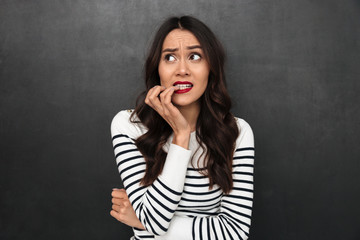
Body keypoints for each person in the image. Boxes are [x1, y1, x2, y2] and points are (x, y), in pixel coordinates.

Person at [110, 16, 254, 240]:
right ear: (157, 68)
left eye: (195, 56)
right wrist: (182, 136)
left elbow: (235, 232)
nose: (182, 69)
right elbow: (154, 220)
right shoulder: (129, 126)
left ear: (210, 68)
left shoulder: (237, 132)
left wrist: (141, 220)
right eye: (170, 57)